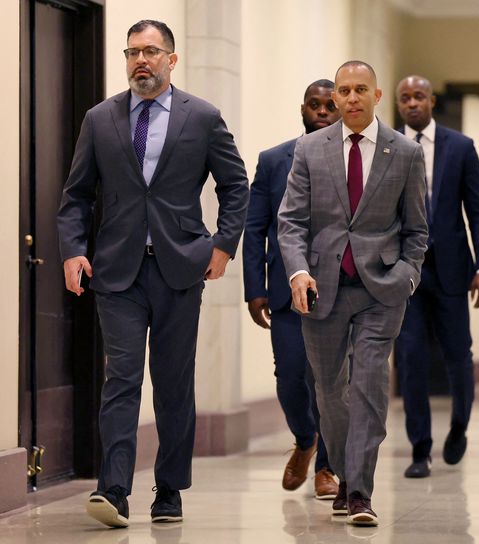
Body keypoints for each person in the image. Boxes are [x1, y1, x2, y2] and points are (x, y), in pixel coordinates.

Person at [57, 20, 249, 528]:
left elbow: (236, 185)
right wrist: (74, 250)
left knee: (172, 382)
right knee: (120, 378)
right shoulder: (100, 119)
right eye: (132, 52)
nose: (141, 60)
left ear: (172, 59)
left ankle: (169, 489)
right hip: (116, 269)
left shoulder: (202, 117)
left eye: (151, 51)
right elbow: (76, 194)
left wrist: (224, 246)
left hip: (180, 267)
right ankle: (114, 489)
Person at [277, 60, 427, 527]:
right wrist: (298, 273)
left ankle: (359, 491)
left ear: (377, 96)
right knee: (328, 391)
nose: (352, 98)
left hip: (381, 289)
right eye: (344, 91)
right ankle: (343, 471)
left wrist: (408, 274)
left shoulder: (404, 153)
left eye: (361, 89)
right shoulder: (309, 149)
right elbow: (291, 221)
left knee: (368, 388)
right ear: (336, 98)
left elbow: (417, 229)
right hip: (322, 290)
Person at [242, 79, 340, 499]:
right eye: (314, 105)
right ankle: (305, 438)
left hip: (341, 287)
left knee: (332, 381)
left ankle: (327, 468)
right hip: (285, 287)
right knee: (290, 376)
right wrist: (254, 287)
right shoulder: (273, 160)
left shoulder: (354, 159)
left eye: (329, 105)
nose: (322, 111)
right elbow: (254, 226)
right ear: (302, 109)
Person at [393, 75, 479, 478]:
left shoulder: (460, 147)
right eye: (406, 98)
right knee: (411, 357)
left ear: (432, 101)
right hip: (405, 271)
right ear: (398, 104)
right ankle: (420, 448)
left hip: (452, 269)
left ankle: (459, 426)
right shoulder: (388, 144)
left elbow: (478, 211)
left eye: (419, 96)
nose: (413, 103)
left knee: (458, 356)